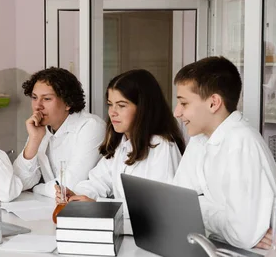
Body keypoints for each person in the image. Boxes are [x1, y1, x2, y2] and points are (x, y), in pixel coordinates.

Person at [172, 56, 276, 251]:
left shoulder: (241, 142)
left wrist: (198, 205)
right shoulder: (199, 139)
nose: (176, 112)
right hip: (224, 250)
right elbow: (176, 203)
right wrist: (219, 214)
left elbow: (241, 232)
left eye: (184, 104)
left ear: (213, 103)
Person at [56, 70, 185, 232]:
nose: (112, 112)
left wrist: (98, 205)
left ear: (143, 108)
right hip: (125, 233)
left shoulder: (162, 146)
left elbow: (156, 208)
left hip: (149, 235)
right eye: (110, 104)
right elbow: (97, 181)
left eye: (122, 105)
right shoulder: (121, 144)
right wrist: (77, 196)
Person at [13, 68, 106, 198]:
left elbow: (68, 187)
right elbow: (17, 183)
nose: (37, 106)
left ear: (68, 103)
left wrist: (36, 188)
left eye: (46, 99)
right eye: (34, 98)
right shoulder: (40, 128)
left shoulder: (91, 127)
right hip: (54, 208)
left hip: (87, 212)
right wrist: (34, 140)